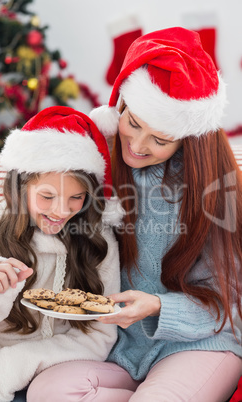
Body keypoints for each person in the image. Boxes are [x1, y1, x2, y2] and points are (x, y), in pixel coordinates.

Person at [27, 27, 242, 402]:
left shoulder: (215, 189)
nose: (137, 145)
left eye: (159, 139)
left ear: (187, 137)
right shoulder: (94, 161)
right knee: (47, 390)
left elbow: (231, 305)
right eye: (133, 123)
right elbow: (29, 197)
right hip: (120, 348)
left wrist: (158, 305)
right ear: (121, 105)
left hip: (199, 342)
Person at [0, 106, 124, 402]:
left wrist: (16, 365)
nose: (61, 211)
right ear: (21, 188)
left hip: (55, 375)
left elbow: (100, 335)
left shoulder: (98, 240)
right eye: (46, 197)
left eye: (75, 198)